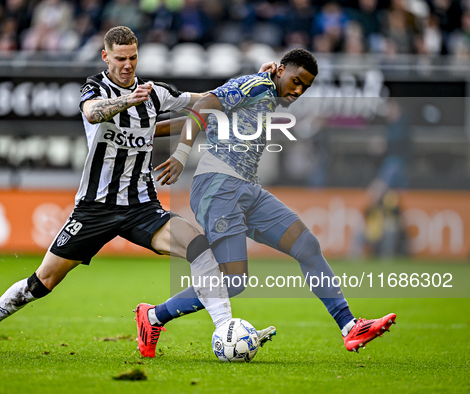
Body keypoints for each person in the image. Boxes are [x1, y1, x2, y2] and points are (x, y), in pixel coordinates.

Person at [0, 26, 248, 358]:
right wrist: (128, 98)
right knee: (43, 282)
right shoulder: (94, 88)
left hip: (141, 206)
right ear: (106, 57)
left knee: (199, 246)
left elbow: (201, 101)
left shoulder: (156, 93)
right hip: (94, 208)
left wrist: (245, 91)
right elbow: (92, 112)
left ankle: (224, 330)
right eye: (120, 58)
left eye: (133, 58)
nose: (127, 65)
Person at [145, 48, 396, 353]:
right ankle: (153, 316)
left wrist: (143, 134)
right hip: (219, 187)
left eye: (306, 86)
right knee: (234, 281)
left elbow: (206, 118)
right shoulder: (258, 86)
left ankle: (349, 326)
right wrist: (181, 154)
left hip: (248, 190)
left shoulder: (266, 91)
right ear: (281, 71)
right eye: (296, 80)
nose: (299, 89)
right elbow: (207, 104)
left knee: (307, 246)